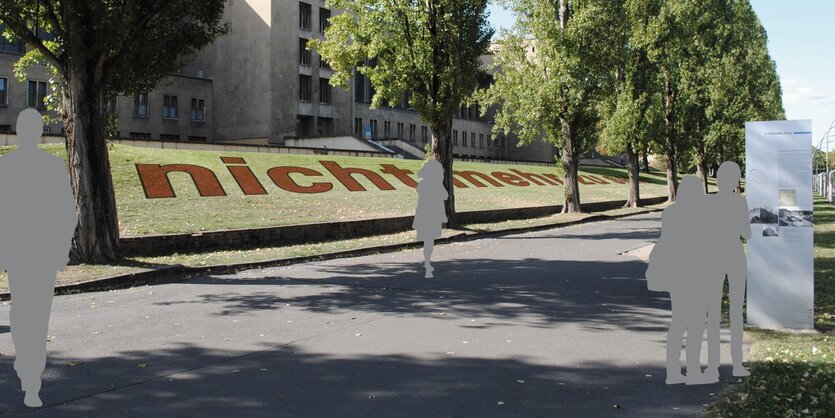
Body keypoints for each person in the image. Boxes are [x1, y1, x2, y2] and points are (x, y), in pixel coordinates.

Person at [0, 108, 77, 407]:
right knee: (36, 314)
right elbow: (66, 214)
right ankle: (31, 372)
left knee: (23, 310)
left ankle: (29, 371)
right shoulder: (50, 166)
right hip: (38, 252)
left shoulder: (7, 166)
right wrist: (60, 250)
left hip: (25, 251)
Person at [647, 176, 713, 385]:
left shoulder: (671, 212)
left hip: (677, 274)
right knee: (695, 324)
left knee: (678, 322)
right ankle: (693, 371)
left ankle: (673, 371)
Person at [704, 161, 751, 380]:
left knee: (713, 312)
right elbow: (747, 234)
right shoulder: (739, 202)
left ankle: (713, 365)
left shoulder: (708, 203)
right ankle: (737, 363)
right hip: (734, 255)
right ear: (735, 181)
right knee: (735, 312)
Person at [412, 159, 448, 278]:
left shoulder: (422, 184)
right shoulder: (436, 185)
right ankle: (427, 263)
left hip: (423, 215)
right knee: (429, 241)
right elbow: (445, 196)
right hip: (431, 216)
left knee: (428, 240)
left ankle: (427, 262)